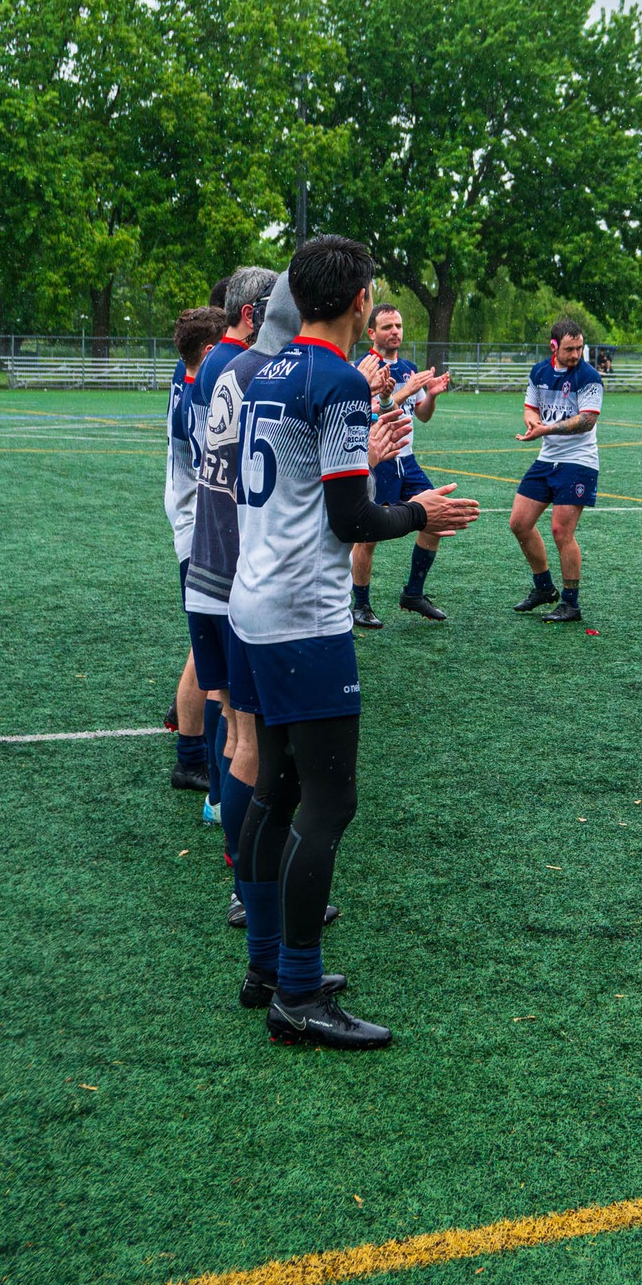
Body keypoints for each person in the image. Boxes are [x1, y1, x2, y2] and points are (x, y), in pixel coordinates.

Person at [229, 234, 479, 1047]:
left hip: (253, 604)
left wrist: (359, 459)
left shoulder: (262, 369)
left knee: (277, 791)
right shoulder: (336, 379)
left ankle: (265, 967)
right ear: (361, 300)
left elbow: (304, 482)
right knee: (329, 804)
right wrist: (421, 514)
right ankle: (298, 994)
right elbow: (351, 520)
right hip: (305, 614)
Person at [184, 268, 279, 901]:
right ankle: (251, 879)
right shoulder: (248, 371)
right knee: (252, 732)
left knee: (228, 711)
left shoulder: (211, 366)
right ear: (254, 315)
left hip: (203, 559)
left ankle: (221, 813)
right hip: (238, 570)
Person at [350, 305, 452, 627]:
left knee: (437, 516)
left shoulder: (408, 367)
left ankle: (413, 593)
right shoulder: (363, 368)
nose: (395, 331)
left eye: (398, 325)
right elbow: (363, 414)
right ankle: (360, 605)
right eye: (387, 326)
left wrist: (431, 395)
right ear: (372, 333)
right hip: (379, 461)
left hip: (407, 461)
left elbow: (421, 414)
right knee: (367, 536)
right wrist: (400, 393)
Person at [164, 306, 225, 792]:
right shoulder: (198, 396)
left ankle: (188, 737)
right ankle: (191, 756)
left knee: (203, 644)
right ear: (209, 352)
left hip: (191, 518)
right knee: (203, 650)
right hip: (197, 525)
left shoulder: (185, 380)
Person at [509, 317, 603, 624]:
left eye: (579, 348)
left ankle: (571, 603)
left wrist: (546, 428)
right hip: (547, 459)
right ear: (554, 346)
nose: (576, 355)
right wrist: (532, 421)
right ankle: (544, 588)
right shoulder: (539, 372)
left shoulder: (589, 376)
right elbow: (529, 406)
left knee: (561, 531)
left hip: (579, 461)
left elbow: (587, 421)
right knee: (519, 523)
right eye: (569, 349)